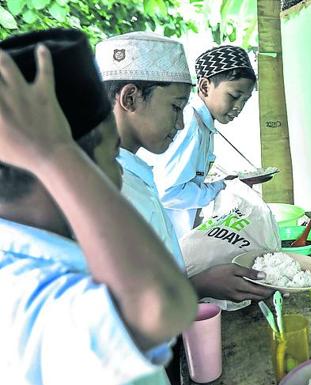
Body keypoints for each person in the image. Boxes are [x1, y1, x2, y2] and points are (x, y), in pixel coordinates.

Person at [0, 29, 197, 385]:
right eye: (110, 155)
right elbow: (165, 305)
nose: (119, 170)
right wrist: (54, 152)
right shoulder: (41, 291)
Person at [95, 33, 272, 305]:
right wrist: (198, 285)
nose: (179, 124)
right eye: (175, 107)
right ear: (130, 98)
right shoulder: (105, 186)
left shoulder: (130, 172)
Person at [147, 45, 256, 240]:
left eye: (245, 100)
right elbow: (169, 192)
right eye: (233, 96)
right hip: (163, 236)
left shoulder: (204, 126)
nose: (239, 107)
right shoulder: (190, 124)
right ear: (205, 87)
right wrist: (219, 188)